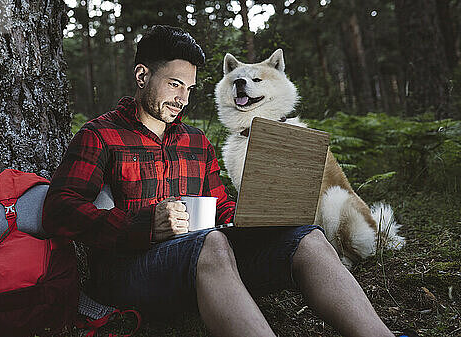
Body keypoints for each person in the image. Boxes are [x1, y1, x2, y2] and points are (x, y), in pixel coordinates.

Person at [42, 25, 401, 337]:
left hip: (205, 262)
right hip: (130, 271)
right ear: (142, 76)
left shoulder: (196, 141)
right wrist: (143, 224)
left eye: (189, 88)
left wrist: (257, 216)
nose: (182, 98)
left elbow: (221, 205)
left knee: (307, 237)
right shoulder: (100, 135)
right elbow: (59, 211)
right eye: (174, 84)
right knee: (211, 242)